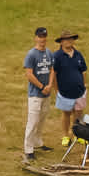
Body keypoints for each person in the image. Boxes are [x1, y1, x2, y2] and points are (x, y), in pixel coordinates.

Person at [21, 26, 56, 163]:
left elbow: (52, 70)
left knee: (42, 119)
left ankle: (38, 142)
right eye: (40, 37)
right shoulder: (31, 55)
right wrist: (42, 87)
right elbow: (29, 74)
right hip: (35, 94)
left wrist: (50, 85)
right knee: (33, 120)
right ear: (35, 38)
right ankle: (28, 149)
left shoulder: (49, 53)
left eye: (44, 37)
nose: (42, 39)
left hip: (46, 93)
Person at [51, 31, 88, 139]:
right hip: (64, 91)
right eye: (66, 39)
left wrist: (85, 84)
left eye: (70, 39)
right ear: (61, 42)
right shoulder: (57, 56)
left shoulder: (78, 54)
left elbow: (83, 71)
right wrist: (56, 89)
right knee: (66, 113)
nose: (69, 41)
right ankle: (65, 136)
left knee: (78, 113)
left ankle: (77, 134)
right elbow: (53, 73)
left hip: (79, 90)